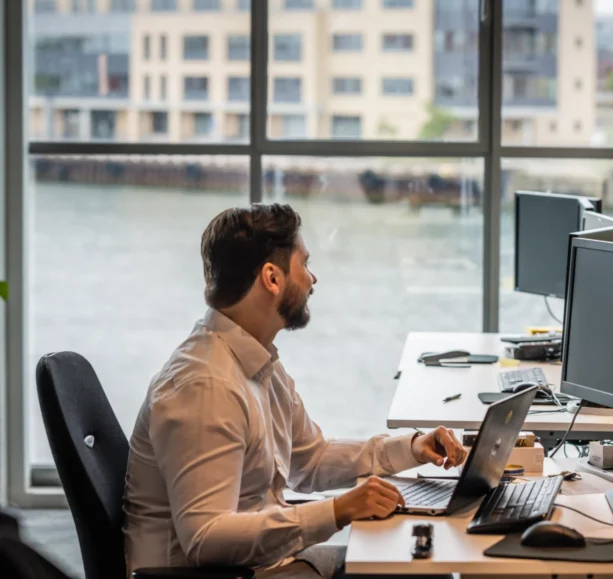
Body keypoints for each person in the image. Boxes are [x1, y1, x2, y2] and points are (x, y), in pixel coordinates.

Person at [123, 204, 467, 578]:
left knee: (414, 564)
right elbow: (205, 538)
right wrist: (337, 511)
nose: (313, 279)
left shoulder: (252, 360)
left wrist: (411, 448)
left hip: (264, 564)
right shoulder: (205, 386)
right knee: (423, 570)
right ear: (272, 278)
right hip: (226, 574)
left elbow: (311, 459)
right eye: (304, 265)